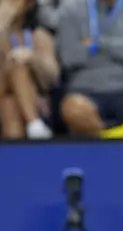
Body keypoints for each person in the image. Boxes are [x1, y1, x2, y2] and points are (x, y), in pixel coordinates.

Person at [57, 0, 123, 137]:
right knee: (74, 109)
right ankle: (104, 150)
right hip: (85, 90)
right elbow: (70, 57)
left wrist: (99, 45)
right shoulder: (70, 8)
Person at [0, 0, 59, 139]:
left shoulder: (38, 35)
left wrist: (33, 58)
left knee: (10, 106)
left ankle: (16, 156)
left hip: (35, 100)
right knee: (14, 64)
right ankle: (34, 124)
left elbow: (52, 78)